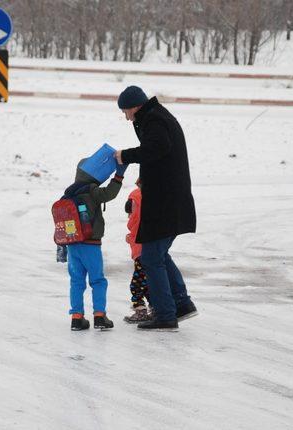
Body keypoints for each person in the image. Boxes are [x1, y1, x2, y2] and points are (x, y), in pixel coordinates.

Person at [114, 86, 198, 331]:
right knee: (158, 254)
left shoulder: (154, 120)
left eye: (125, 111)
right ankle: (181, 304)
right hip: (168, 197)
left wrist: (125, 155)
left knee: (150, 257)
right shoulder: (155, 116)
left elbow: (157, 148)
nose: (126, 117)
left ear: (134, 107)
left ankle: (165, 314)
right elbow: (161, 155)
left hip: (165, 201)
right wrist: (146, 176)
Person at [64, 158, 127, 331]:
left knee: (76, 281)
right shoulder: (91, 190)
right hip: (90, 245)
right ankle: (99, 316)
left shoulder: (68, 193)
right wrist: (119, 176)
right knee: (98, 280)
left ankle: (77, 318)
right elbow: (109, 194)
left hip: (72, 245)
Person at [123, 178, 152, 323]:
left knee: (136, 285)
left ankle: (140, 311)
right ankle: (156, 308)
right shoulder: (151, 197)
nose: (129, 216)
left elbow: (135, 220)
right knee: (147, 284)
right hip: (148, 250)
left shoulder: (136, 196)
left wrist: (131, 237)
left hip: (141, 254)